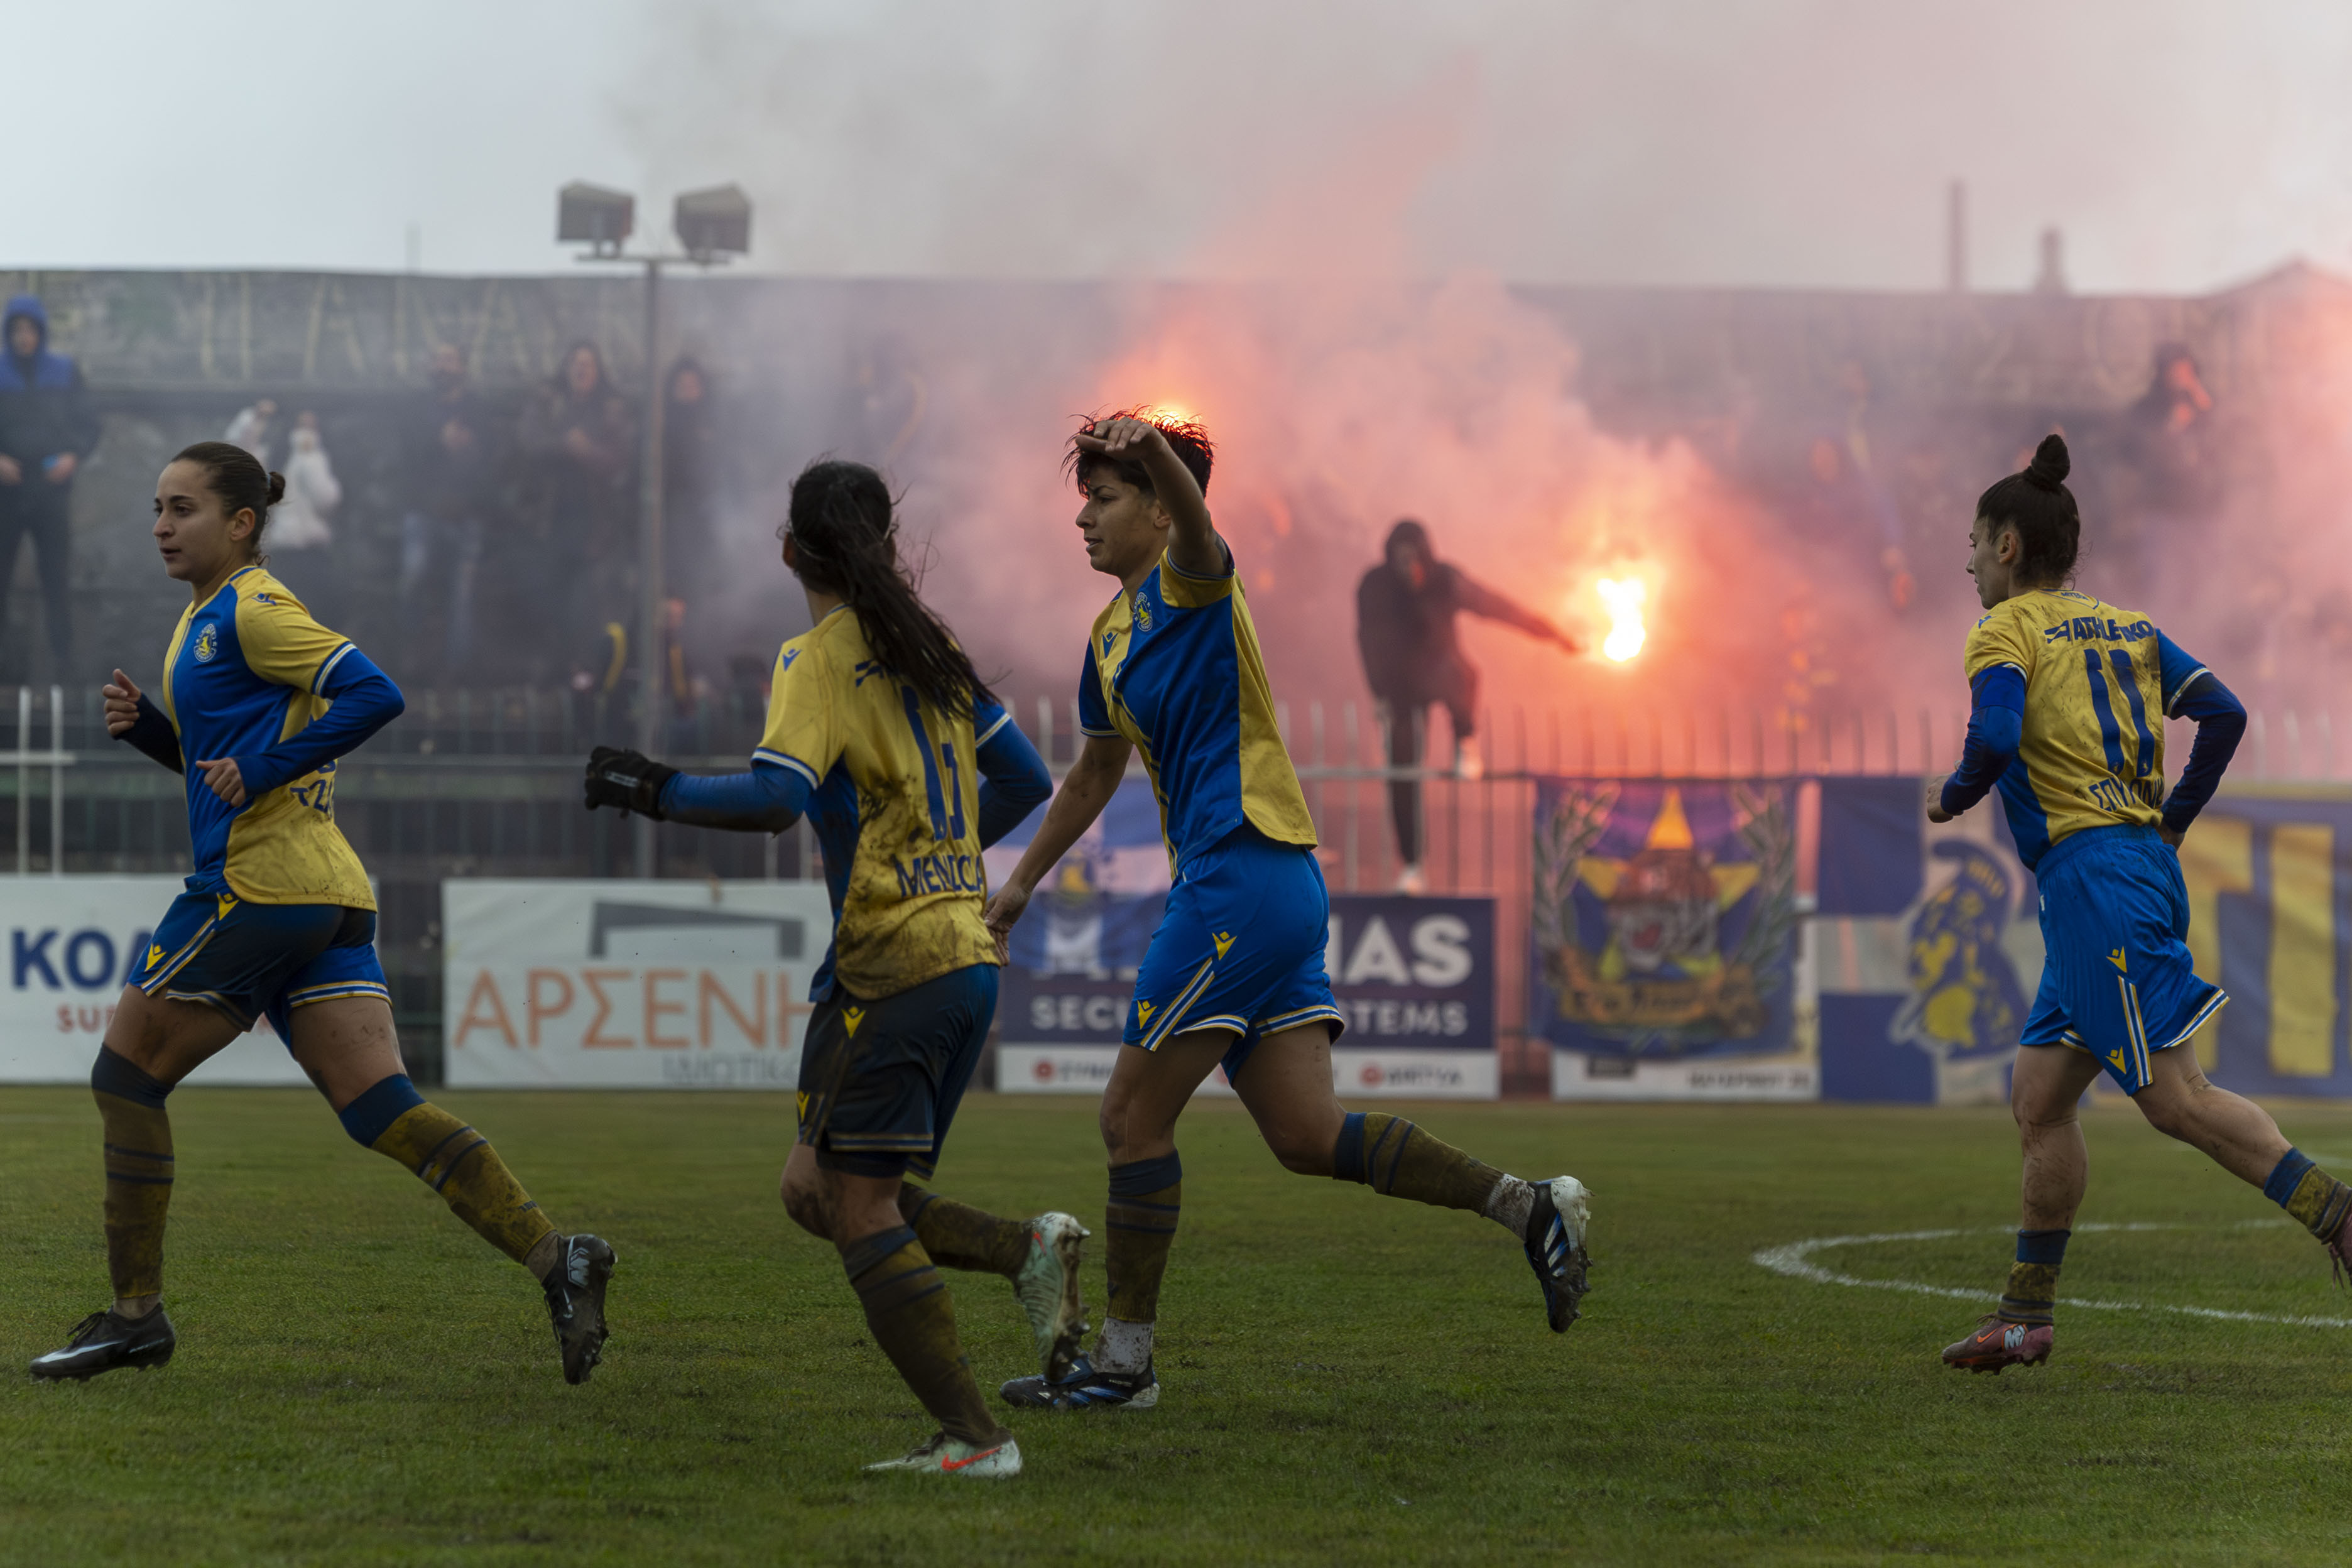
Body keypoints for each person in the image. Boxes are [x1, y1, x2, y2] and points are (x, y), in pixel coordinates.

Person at [983, 411, 1592, 1413]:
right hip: (1261, 888)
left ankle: (1125, 1368)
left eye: (1104, 495)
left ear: (1155, 502)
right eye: (1084, 497)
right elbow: (1094, 774)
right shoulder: (1107, 639)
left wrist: (1165, 461)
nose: (1083, 518)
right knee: (1308, 1135)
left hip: (1242, 874)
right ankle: (1530, 1209)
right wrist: (1021, 881)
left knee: (1131, 1118)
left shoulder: (1194, 577)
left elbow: (1193, 515)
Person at [29, 442, 615, 1385]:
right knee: (383, 1109)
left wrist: (259, 769)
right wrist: (156, 736)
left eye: (182, 509)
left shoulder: (255, 607)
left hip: (259, 888)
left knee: (126, 1080)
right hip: (327, 895)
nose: (161, 526)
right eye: (157, 508)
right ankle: (562, 1258)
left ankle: (136, 1318)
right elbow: (231, 762)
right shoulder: (203, 620)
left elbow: (376, 694)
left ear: (243, 522)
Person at [582, 459, 1069, 1478]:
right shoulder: (928, 647)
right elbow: (1025, 775)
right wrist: (939, 850)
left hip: (893, 962)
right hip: (961, 959)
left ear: (790, 549)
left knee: (855, 1207)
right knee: (815, 1189)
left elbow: (770, 798)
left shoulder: (820, 655)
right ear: (886, 546)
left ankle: (976, 1440)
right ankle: (1026, 1251)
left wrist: (654, 789)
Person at [1925, 433, 2351, 1374]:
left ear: (2006, 546)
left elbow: (1995, 738)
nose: (1964, 560)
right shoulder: (2130, 629)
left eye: (1971, 539)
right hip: (2124, 871)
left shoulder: (2006, 631)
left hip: (2095, 883)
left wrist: (1952, 796)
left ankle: (2339, 1214)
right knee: (2039, 1099)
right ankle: (2025, 1316)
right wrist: (2172, 824)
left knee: (2175, 1100)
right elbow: (2227, 712)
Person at [1354, 518, 1578, 894]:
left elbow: (1496, 606)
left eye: (1415, 559)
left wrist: (1550, 631)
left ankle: (1466, 743)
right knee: (1403, 772)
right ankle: (1411, 866)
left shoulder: (1446, 580)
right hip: (1399, 686)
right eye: (1401, 559)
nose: (1409, 569)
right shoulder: (1375, 586)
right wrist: (1379, 697)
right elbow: (1367, 642)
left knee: (1462, 674)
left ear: (1427, 558)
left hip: (1441, 671)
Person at [521, 343, 633, 685]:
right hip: (552, 517)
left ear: (598, 372)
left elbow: (620, 462)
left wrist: (587, 452)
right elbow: (529, 443)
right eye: (576, 364)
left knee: (589, 600)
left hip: (595, 522)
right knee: (549, 594)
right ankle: (557, 667)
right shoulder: (551, 406)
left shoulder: (611, 411)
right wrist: (566, 445)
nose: (582, 371)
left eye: (589, 365)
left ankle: (588, 670)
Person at [0, 294, 99, 678]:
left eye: (30, 329)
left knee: (56, 578)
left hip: (50, 491)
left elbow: (89, 424)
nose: (24, 337)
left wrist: (73, 456)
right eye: (17, 330)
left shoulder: (64, 371)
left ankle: (64, 665)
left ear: (41, 332)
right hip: (6, 494)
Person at [400, 343, 501, 675]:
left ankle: (459, 671)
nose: (443, 367)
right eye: (438, 360)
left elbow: (491, 462)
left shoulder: (477, 411)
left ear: (462, 368)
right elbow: (408, 456)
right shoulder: (417, 409)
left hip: (466, 512)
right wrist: (439, 441)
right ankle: (409, 657)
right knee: (414, 573)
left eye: (449, 360)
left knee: (464, 592)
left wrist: (466, 450)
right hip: (424, 511)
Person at [268, 413, 340, 551]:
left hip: (311, 544)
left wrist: (309, 461)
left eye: (310, 428)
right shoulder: (284, 460)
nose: (305, 434)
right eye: (301, 427)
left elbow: (326, 501)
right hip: (284, 542)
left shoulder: (318, 460)